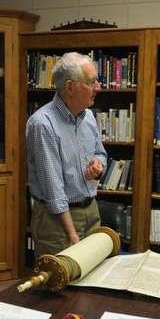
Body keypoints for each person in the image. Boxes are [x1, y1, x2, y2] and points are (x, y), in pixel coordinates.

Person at [26, 52, 107, 258]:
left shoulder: (88, 116)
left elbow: (100, 153)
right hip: (59, 221)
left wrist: (98, 167)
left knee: (90, 278)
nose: (98, 87)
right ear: (70, 87)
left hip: (91, 210)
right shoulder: (43, 124)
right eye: (91, 82)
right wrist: (71, 233)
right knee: (60, 284)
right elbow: (53, 189)